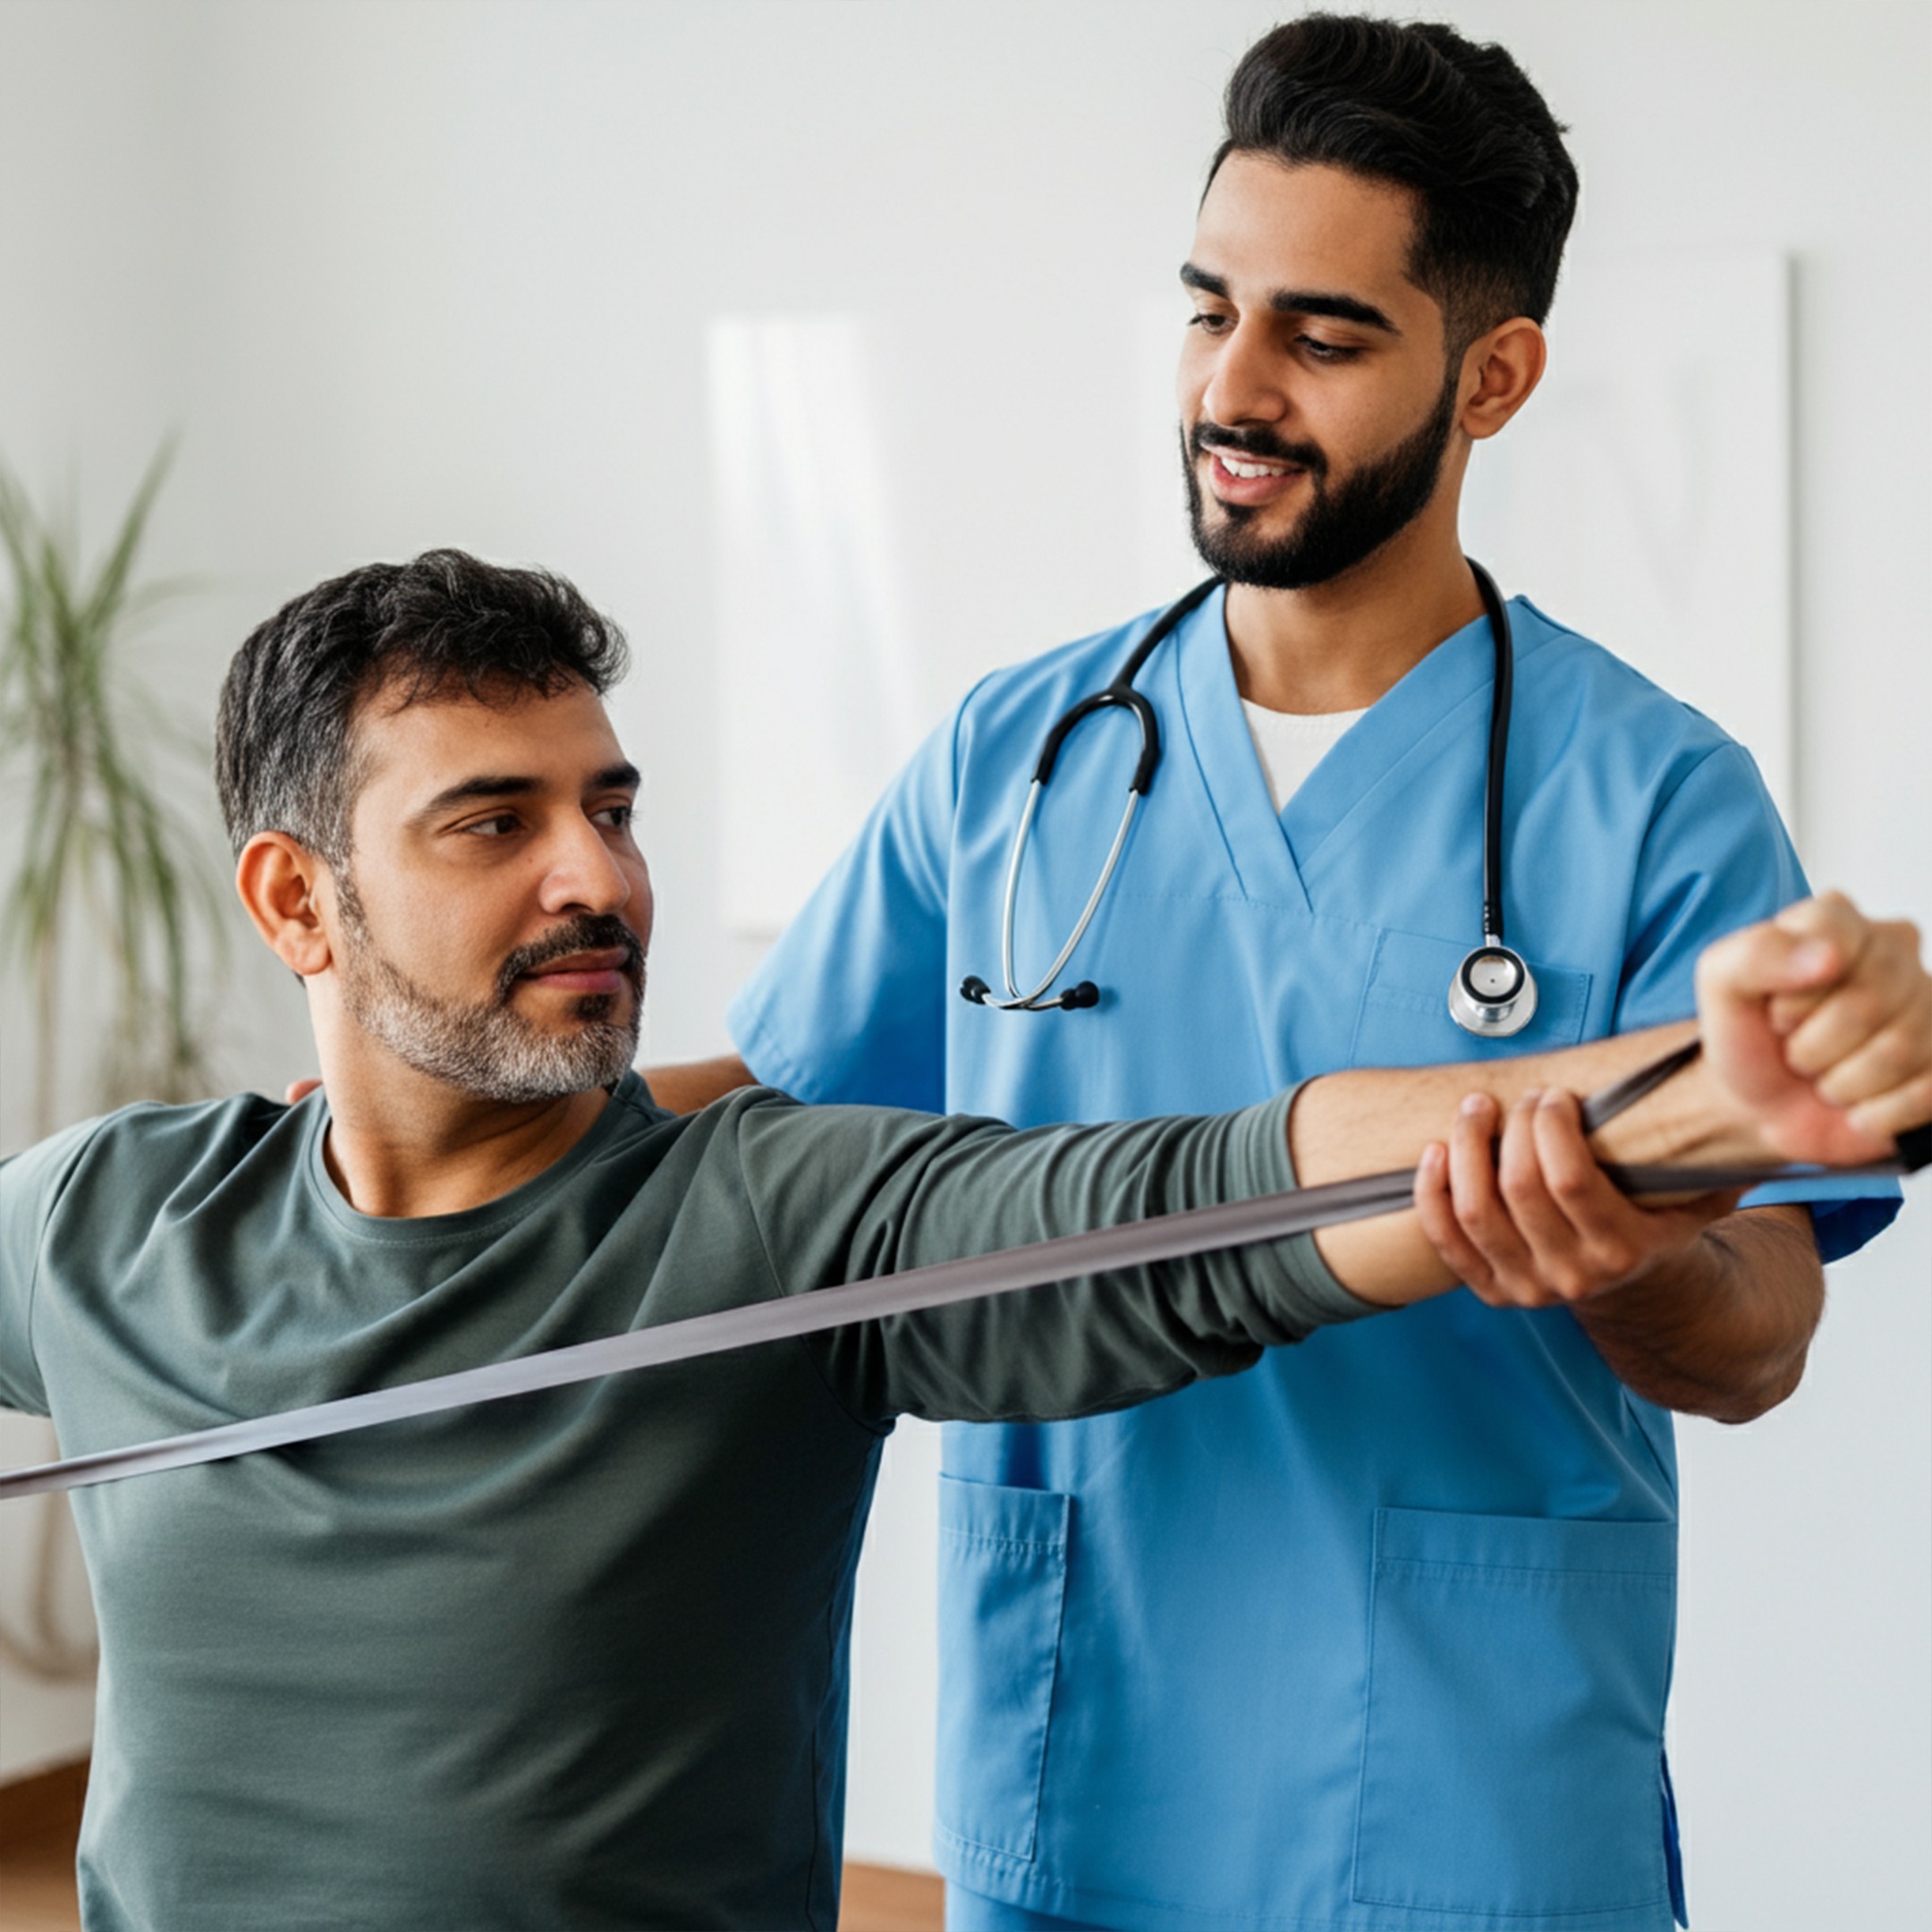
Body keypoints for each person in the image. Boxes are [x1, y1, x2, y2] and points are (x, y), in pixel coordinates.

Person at [4, 552, 1926, 1932]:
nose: (598, 875)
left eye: (611, 807)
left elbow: (1224, 1193)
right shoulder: (112, 1219)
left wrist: (1717, 1096)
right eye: (493, 824)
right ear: (298, 902)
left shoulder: (777, 1217)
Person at [655, 16, 1911, 1931]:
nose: (1230, 388)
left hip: (1472, 1808)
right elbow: (766, 1132)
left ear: (1493, 377)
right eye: (1207, 310)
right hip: (1075, 1773)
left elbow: (1757, 1336)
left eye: (1321, 338)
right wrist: (419, 1148)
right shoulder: (1014, 759)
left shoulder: (1657, 796)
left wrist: (1622, 1256)